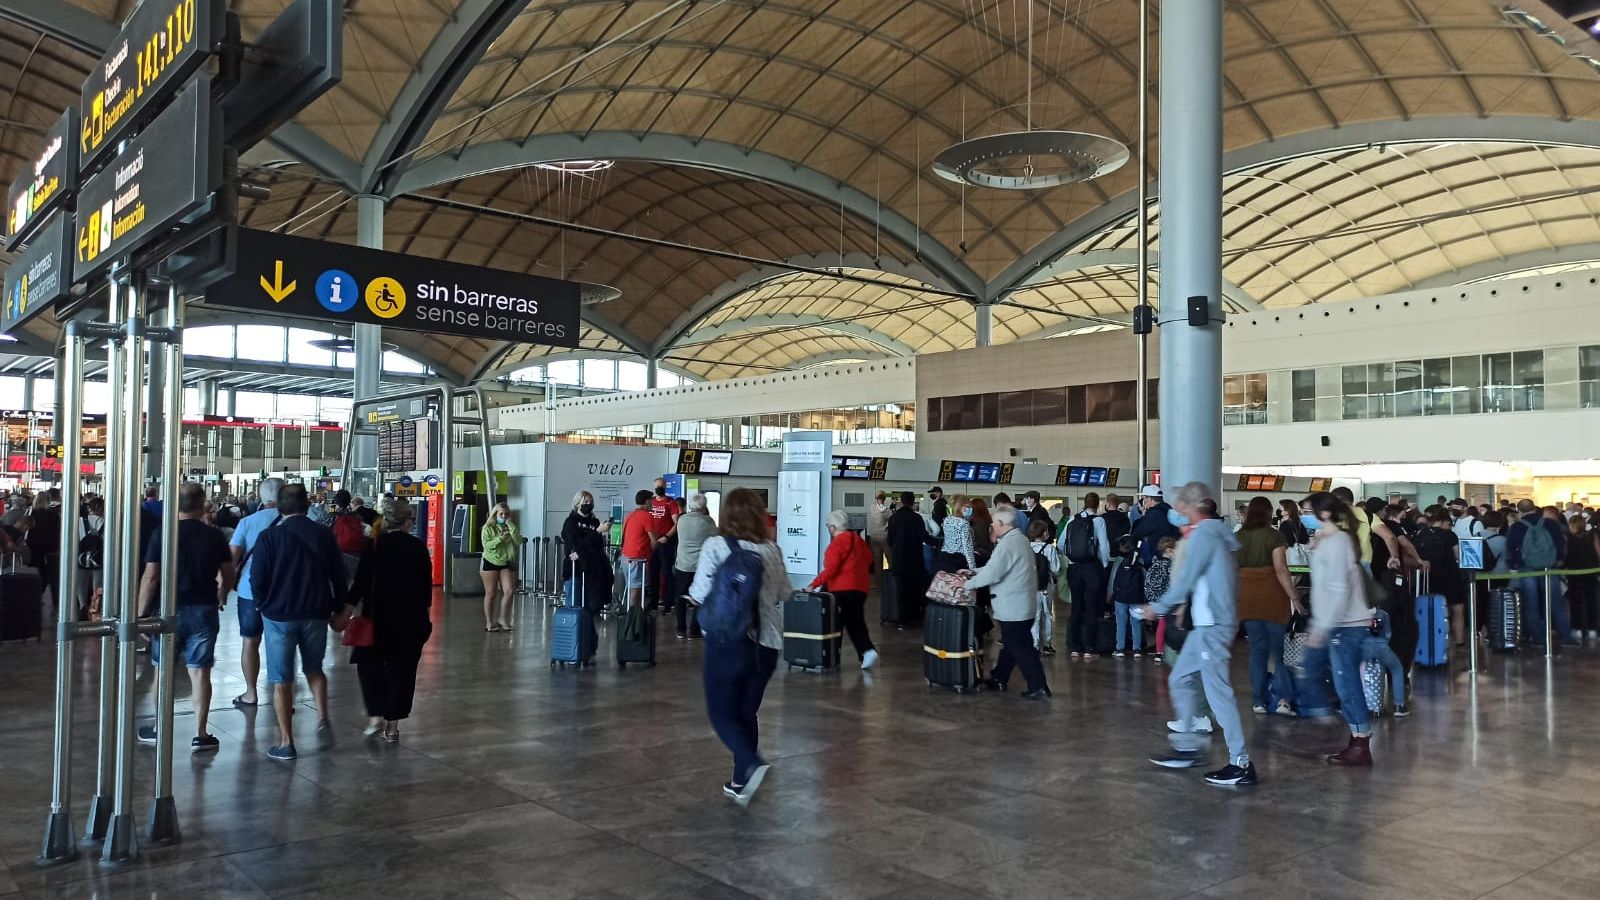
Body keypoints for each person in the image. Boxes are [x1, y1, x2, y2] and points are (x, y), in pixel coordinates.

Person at [1137, 482, 1253, 786]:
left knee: (1218, 693)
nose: (1175, 511)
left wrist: (1157, 607)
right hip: (1208, 624)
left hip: (1213, 625)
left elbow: (1186, 579)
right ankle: (1187, 747)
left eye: (1179, 505)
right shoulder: (1216, 534)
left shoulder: (1204, 536)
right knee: (1180, 678)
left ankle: (1240, 763)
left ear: (1192, 506)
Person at [688, 488, 788, 806]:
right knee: (747, 711)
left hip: (728, 642)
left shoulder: (717, 546)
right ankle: (741, 779)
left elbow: (701, 591)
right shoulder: (771, 548)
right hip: (768, 643)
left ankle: (752, 761)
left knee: (720, 711)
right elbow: (783, 593)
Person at [249, 485, 350, 761]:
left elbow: (257, 579)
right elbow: (339, 576)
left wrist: (263, 605)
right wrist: (338, 608)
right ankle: (322, 716)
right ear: (307, 506)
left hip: (279, 615)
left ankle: (286, 741)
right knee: (314, 668)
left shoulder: (269, 537)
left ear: (278, 507)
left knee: (281, 680)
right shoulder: (322, 535)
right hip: (316, 611)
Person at [134, 484, 235, 752]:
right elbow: (228, 572)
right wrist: (222, 593)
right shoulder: (214, 536)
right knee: (200, 673)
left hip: (168, 611)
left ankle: (158, 727)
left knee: (162, 671)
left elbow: (151, 576)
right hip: (203, 609)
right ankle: (201, 734)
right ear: (203, 505)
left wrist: (141, 613)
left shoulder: (162, 534)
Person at [1303, 491, 1380, 766]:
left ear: (1323, 514)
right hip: (1339, 623)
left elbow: (1337, 588)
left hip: (1344, 625)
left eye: (1307, 511)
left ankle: (1359, 742)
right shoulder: (1332, 540)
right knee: (1338, 679)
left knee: (1346, 684)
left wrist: (1322, 626)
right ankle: (1353, 734)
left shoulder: (1336, 542)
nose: (1304, 517)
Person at [349, 498, 433, 744]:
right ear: (408, 521)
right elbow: (425, 588)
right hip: (410, 620)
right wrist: (425, 618)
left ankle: (375, 716)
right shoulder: (417, 547)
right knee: (402, 671)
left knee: (370, 666)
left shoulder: (374, 545)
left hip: (376, 618)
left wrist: (345, 610)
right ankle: (393, 727)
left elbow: (360, 583)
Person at [968, 504, 1050, 699]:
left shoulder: (1007, 544)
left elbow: (994, 573)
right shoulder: (1020, 540)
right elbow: (998, 568)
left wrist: (967, 584)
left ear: (1001, 523)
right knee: (1013, 644)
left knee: (1021, 647)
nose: (991, 527)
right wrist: (973, 573)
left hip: (1014, 607)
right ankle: (999, 677)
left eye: (993, 523)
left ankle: (1038, 686)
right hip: (1023, 604)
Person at [1235, 497, 1303, 717]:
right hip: (1272, 598)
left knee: (1257, 651)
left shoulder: (1238, 537)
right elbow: (1281, 570)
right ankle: (1283, 701)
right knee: (1277, 652)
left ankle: (1258, 702)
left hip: (1247, 599)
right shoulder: (1275, 536)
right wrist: (1295, 598)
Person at [228, 477, 283, 708]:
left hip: (250, 592)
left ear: (261, 497)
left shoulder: (248, 522)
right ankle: (283, 694)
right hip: (284, 592)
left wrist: (223, 589)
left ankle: (251, 693)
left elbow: (232, 558)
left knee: (250, 641)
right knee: (281, 642)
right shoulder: (298, 520)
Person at [807, 510, 877, 670]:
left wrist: (813, 584)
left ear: (832, 527)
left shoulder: (836, 544)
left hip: (841, 588)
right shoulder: (858, 540)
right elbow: (869, 560)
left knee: (841, 623)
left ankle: (858, 652)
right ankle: (861, 653)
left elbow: (830, 570)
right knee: (853, 620)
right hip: (861, 588)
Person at [1061, 492, 1110, 658]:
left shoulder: (1072, 520)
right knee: (1091, 607)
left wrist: (1071, 558)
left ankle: (1075, 646)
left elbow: (1062, 544)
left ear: (1084, 503)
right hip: (1091, 568)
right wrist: (1103, 565)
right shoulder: (1098, 521)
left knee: (1076, 606)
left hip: (1074, 569)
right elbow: (1103, 547)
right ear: (1097, 505)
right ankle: (1090, 647)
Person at [1414, 506, 1467, 645]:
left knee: (1434, 610)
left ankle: (1436, 642)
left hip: (1429, 576)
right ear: (1444, 521)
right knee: (1457, 609)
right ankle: (1459, 641)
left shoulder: (1421, 534)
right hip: (1451, 575)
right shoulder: (1449, 535)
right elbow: (1458, 555)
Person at [561, 490, 614, 617]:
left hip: (593, 569)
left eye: (591, 502)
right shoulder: (570, 522)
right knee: (574, 605)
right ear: (578, 503)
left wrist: (582, 551)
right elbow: (575, 544)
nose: (588, 504)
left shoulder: (595, 523)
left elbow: (597, 547)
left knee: (593, 605)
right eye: (585, 502)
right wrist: (596, 533)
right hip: (575, 569)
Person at [673, 494, 718, 640]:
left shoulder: (681, 520)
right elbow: (716, 537)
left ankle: (680, 629)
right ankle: (694, 630)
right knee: (700, 597)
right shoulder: (708, 522)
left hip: (683, 564)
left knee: (680, 597)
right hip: (700, 566)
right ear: (703, 506)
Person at [1332, 486, 1400, 577]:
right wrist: (1394, 556)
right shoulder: (1368, 515)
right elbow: (1390, 537)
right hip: (1363, 564)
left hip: (1336, 563)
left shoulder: (1329, 516)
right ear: (1352, 500)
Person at [886, 491, 930, 627]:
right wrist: (939, 542)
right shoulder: (916, 518)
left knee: (901, 591)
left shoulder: (893, 518)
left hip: (898, 560)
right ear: (913, 503)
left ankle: (902, 621)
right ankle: (915, 616)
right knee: (915, 589)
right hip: (914, 560)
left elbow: (890, 539)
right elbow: (924, 537)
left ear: (901, 501)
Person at [480, 501, 520, 632]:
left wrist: (511, 526)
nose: (504, 516)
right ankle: (489, 622)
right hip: (490, 562)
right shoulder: (488, 528)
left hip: (505, 562)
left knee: (509, 590)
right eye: (501, 514)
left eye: (506, 514)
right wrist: (500, 539)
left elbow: (518, 541)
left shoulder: (510, 526)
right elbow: (487, 546)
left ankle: (503, 619)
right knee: (491, 593)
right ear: (495, 514)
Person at [645, 477, 681, 612]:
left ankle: (669, 602)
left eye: (662, 486)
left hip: (665, 543)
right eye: (657, 486)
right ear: (654, 487)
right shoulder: (651, 502)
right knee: (653, 573)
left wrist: (667, 536)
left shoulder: (670, 503)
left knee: (666, 573)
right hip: (652, 542)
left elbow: (677, 523)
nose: (659, 488)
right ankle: (654, 602)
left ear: (665, 487)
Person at [1107, 535, 1145, 657]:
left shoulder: (1119, 560)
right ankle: (1137, 649)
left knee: (1121, 621)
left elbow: (1113, 578)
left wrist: (1111, 594)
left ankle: (1120, 648)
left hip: (1120, 596)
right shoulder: (1139, 559)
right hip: (1136, 596)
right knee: (1136, 622)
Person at [1026, 519, 1058, 654]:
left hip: (1030, 587)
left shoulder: (1026, 547)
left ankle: (1034, 643)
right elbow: (1056, 568)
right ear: (1044, 533)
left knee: (1034, 615)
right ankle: (1047, 644)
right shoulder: (1049, 549)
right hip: (1046, 587)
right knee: (1047, 615)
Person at [620, 490, 655, 613]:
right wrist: (654, 550)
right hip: (637, 558)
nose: (653, 502)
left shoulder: (630, 514)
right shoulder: (647, 516)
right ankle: (633, 617)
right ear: (647, 501)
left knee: (632, 586)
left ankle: (633, 613)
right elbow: (653, 539)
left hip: (625, 557)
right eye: (651, 500)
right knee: (636, 588)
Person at [1566, 514, 1599, 643]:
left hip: (1574, 573)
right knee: (1592, 601)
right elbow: (1598, 552)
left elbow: (1565, 555)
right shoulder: (1592, 536)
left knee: (1575, 602)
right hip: (1591, 572)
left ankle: (1577, 628)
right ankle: (1593, 629)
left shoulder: (1568, 538)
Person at [27, 490, 61, 608]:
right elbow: (57, 532)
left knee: (34, 571)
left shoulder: (31, 513)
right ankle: (56, 602)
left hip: (34, 547)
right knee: (52, 575)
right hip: (51, 547)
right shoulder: (54, 514)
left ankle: (34, 596)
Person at [1130, 485, 1181, 564]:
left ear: (1150, 498)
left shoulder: (1154, 514)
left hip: (1156, 557)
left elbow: (1138, 532)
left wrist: (1144, 516)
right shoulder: (1170, 510)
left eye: (1144, 498)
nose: (1144, 501)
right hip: (1172, 556)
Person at [76, 497, 106, 621]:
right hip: (100, 557)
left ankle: (83, 606)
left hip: (81, 557)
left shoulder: (80, 521)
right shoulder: (106, 522)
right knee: (98, 584)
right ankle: (95, 608)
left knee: (81, 583)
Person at [936, 495, 978, 572]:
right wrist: (972, 568)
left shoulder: (947, 520)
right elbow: (967, 547)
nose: (970, 509)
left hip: (945, 558)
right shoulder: (964, 524)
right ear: (960, 507)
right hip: (958, 561)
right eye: (967, 507)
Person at [866, 491, 890, 573]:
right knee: (890, 559)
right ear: (884, 499)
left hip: (873, 537)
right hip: (884, 537)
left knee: (877, 562)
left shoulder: (871, 508)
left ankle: (879, 582)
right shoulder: (887, 511)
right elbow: (891, 521)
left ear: (876, 499)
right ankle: (891, 580)